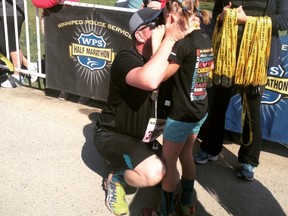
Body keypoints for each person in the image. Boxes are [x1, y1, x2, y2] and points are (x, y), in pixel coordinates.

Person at [93, 7, 197, 216]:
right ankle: (117, 179)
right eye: (155, 25)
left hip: (146, 139)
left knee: (170, 174)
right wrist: (169, 40)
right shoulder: (125, 58)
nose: (163, 27)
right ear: (139, 34)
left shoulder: (167, 58)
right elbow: (150, 80)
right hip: (115, 136)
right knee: (155, 173)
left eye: (163, 21)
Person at [194, 0, 288, 181]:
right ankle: (210, 149)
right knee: (218, 105)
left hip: (256, 60)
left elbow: (284, 21)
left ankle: (249, 160)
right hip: (226, 57)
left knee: (252, 111)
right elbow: (217, 14)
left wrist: (247, 20)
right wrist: (222, 16)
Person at [141, 0, 213, 215]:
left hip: (182, 113)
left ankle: (164, 211)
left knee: (168, 162)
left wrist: (157, 44)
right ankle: (187, 203)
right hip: (200, 107)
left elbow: (158, 77)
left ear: (171, 17)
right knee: (187, 155)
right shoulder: (204, 36)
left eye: (165, 18)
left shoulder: (183, 44)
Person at [0, 0, 34, 88]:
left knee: (12, 44)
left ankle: (17, 76)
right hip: (3, 10)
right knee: (4, 45)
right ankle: (29, 66)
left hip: (13, 11)